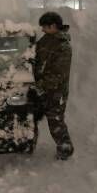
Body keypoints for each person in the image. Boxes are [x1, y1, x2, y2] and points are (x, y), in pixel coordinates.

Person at [34, 11, 74, 160]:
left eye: (44, 26)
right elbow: (35, 56)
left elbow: (58, 74)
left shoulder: (63, 47)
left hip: (56, 92)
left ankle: (65, 149)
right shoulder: (47, 40)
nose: (42, 30)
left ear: (53, 26)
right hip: (43, 88)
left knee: (55, 121)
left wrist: (41, 84)